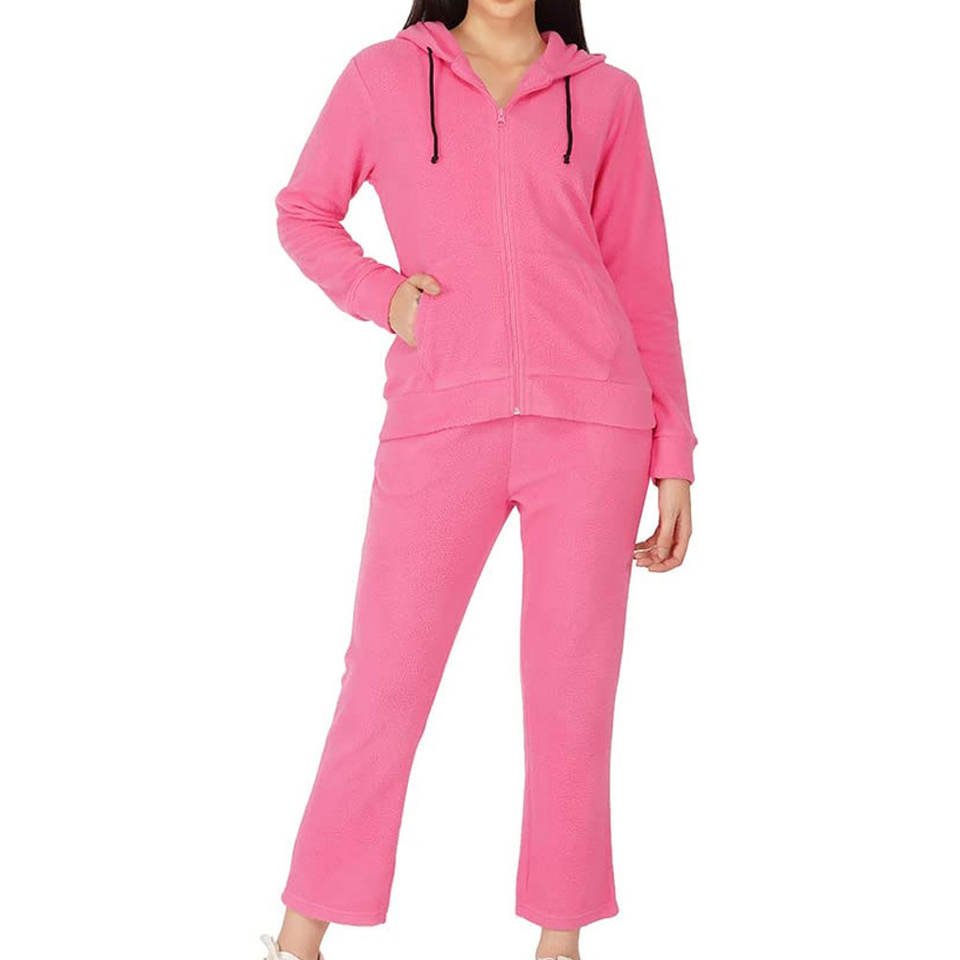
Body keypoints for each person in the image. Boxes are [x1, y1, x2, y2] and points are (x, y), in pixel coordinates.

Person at [264, 1, 695, 957]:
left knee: (573, 693)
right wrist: (386, 298)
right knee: (384, 683)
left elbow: (643, 279)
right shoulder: (383, 75)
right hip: (441, 417)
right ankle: (298, 938)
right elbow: (304, 211)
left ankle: (560, 943)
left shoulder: (608, 97)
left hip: (594, 423)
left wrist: (674, 452)